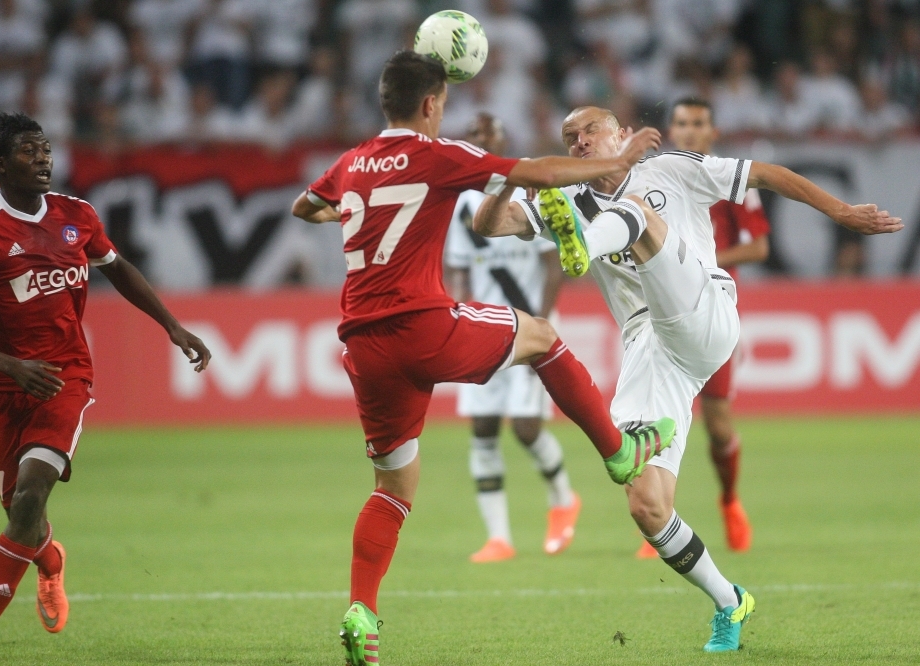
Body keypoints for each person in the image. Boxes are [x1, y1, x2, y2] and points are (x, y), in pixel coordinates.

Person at [291, 50, 674, 666]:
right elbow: (541, 173)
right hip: (420, 323)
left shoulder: (350, 163)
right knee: (543, 338)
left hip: (362, 345)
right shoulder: (441, 154)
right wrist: (621, 158)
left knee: (394, 485)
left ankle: (362, 609)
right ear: (431, 104)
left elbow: (302, 208)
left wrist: (353, 208)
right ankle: (620, 453)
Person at [473, 105, 901, 652]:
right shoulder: (565, 197)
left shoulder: (667, 167)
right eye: (568, 137)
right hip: (649, 346)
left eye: (591, 131)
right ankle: (729, 600)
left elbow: (764, 175)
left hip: (704, 310)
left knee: (637, 216)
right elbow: (487, 226)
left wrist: (840, 211)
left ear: (623, 135)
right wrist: (513, 175)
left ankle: (584, 249)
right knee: (646, 503)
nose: (579, 141)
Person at [0, 112, 211, 662]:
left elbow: (118, 266)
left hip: (65, 377)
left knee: (32, 493)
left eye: (46, 150)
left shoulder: (75, 215)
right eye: (28, 152)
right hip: (0, 387)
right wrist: (11, 366)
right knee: (20, 515)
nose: (43, 160)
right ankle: (49, 560)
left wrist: (172, 325)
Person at [635, 97, 770, 559]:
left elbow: (758, 249)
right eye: (681, 124)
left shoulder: (729, 183)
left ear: (712, 132)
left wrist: (696, 264)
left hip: (712, 314)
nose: (689, 131)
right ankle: (657, 518)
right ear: (671, 131)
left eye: (698, 124)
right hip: (663, 318)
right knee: (657, 418)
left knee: (716, 424)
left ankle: (730, 498)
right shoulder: (659, 179)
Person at [443, 113, 578, 563]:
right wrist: (457, 313)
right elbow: (459, 268)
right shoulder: (462, 204)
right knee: (482, 429)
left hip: (527, 327)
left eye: (489, 133)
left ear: (504, 138)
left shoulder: (529, 193)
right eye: (473, 135)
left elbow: (552, 263)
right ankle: (498, 538)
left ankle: (563, 499)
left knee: (524, 428)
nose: (481, 139)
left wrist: (541, 321)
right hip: (481, 327)